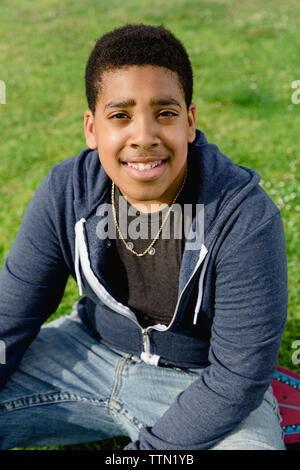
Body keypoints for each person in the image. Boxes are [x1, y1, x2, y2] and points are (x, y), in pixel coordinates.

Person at [0, 23, 288, 450]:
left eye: (165, 113)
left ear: (189, 122)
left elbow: (237, 377)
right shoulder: (67, 192)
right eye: (120, 116)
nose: (144, 136)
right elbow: (10, 320)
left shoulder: (244, 216)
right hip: (86, 352)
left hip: (202, 382)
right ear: (92, 129)